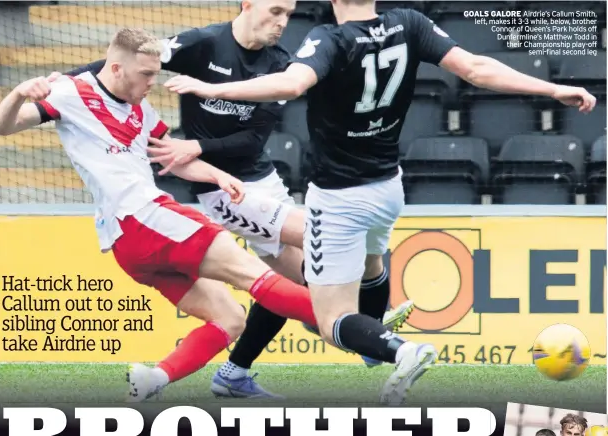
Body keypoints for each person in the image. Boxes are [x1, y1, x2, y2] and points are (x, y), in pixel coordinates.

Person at [161, 0, 597, 404]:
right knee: (358, 267)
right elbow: (478, 69)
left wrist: (211, 89)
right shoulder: (410, 22)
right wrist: (553, 89)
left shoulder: (328, 39)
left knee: (329, 317)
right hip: (388, 187)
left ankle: (393, 348)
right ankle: (351, 345)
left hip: (338, 197)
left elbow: (293, 85)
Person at [66, 0, 413, 399]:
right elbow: (123, 61)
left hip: (261, 179)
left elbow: (251, 139)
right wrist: (65, 81)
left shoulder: (281, 63)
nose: (282, 22)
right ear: (248, 4)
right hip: (222, 191)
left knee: (288, 281)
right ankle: (367, 330)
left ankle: (236, 372)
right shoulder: (203, 44)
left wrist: (197, 143)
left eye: (288, 14)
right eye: (275, 11)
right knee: (331, 234)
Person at [0, 27, 321, 403]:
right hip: (146, 216)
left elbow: (171, 159)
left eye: (156, 73)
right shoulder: (69, 93)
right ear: (116, 68)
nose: (153, 82)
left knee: (230, 319)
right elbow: (0, 127)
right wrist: (18, 93)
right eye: (146, 74)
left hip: (126, 244)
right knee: (257, 274)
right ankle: (353, 324)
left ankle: (154, 378)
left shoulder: (140, 108)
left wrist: (216, 174)